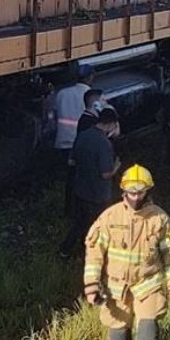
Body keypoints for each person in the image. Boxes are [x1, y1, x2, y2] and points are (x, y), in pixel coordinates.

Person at [83, 164, 170, 340]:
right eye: (131, 192)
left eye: (140, 192)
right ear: (123, 191)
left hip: (149, 284)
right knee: (118, 332)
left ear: (148, 191)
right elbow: (94, 253)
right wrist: (91, 285)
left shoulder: (159, 219)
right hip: (116, 288)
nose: (136, 197)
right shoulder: (109, 218)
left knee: (148, 327)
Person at [60, 108, 121, 259]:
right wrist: (116, 167)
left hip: (80, 189)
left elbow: (71, 160)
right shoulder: (104, 143)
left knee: (80, 222)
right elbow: (105, 173)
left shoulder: (83, 135)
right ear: (111, 124)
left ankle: (65, 250)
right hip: (99, 194)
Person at [52, 64, 95, 217]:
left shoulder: (62, 93)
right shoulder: (92, 96)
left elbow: (54, 114)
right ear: (90, 77)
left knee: (70, 179)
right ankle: (80, 212)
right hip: (82, 144)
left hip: (64, 142)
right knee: (84, 179)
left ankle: (68, 211)